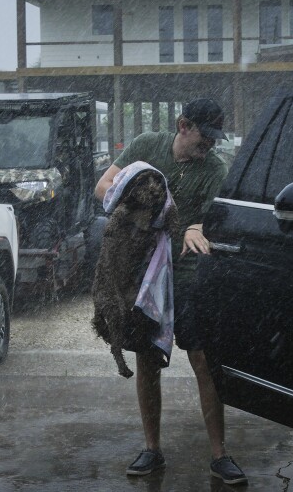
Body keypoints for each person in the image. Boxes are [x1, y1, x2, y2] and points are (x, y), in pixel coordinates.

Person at [94, 98, 247, 485]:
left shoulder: (213, 168)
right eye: (203, 136)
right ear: (183, 125)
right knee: (147, 361)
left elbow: (210, 218)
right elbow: (103, 187)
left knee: (203, 361)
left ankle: (219, 454)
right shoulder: (146, 147)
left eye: (215, 137)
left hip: (189, 276)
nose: (209, 144)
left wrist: (197, 227)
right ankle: (152, 449)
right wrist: (141, 203)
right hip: (144, 274)